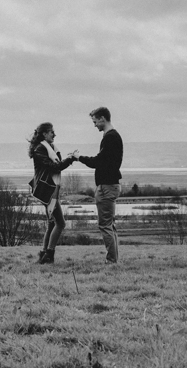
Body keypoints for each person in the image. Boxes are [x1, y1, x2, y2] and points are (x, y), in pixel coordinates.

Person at [74, 107, 123, 263]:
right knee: (110, 225)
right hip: (111, 186)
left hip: (106, 187)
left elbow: (97, 161)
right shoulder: (113, 136)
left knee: (105, 225)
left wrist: (78, 157)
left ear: (102, 118)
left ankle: (111, 260)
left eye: (95, 121)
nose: (94, 125)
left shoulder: (110, 137)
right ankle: (114, 259)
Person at [28, 122, 74, 264]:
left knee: (52, 224)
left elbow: (56, 164)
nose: (54, 134)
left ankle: (43, 253)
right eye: (51, 132)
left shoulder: (49, 148)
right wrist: (71, 159)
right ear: (44, 134)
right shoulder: (40, 149)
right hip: (46, 190)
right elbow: (55, 167)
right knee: (60, 223)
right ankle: (49, 254)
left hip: (50, 189)